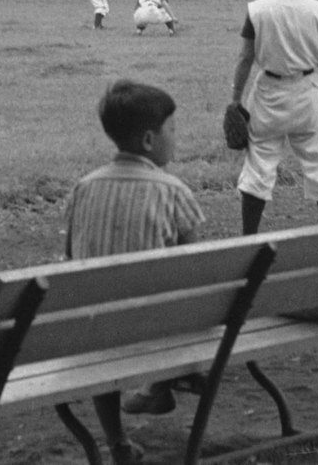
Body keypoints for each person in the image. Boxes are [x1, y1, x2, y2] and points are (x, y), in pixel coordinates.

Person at [65, 80, 205, 464]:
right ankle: (163, 383)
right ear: (148, 140)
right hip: (154, 331)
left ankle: (117, 442)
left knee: (102, 310)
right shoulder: (173, 192)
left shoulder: (83, 188)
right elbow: (196, 270)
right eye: (172, 130)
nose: (177, 138)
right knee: (193, 304)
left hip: (91, 331)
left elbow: (70, 260)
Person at [229, 0, 318, 234]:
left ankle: (249, 239)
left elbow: (245, 58)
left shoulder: (257, 10)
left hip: (269, 94)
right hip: (309, 92)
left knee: (259, 168)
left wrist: (235, 100)